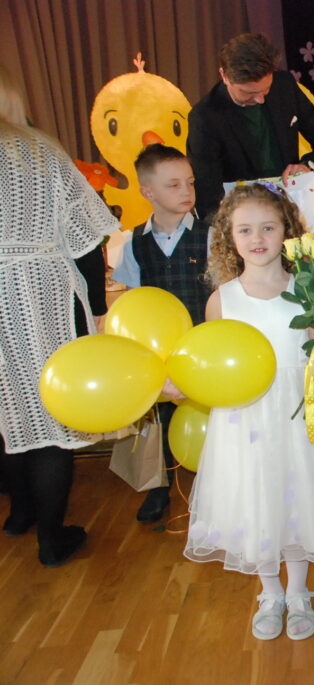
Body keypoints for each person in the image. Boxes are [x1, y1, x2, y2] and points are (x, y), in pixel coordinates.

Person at [178, 183, 314, 640]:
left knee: (298, 499)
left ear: (287, 231)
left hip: (299, 416)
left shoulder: (306, 292)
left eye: (268, 228)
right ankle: (269, 592)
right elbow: (212, 363)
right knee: (259, 500)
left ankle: (297, 592)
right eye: (245, 229)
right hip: (245, 419)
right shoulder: (222, 299)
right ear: (229, 237)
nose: (257, 238)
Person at [0, 65, 120, 566]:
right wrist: (96, 309)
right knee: (51, 413)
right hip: (44, 291)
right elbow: (88, 241)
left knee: (9, 409)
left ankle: (19, 513)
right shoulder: (41, 152)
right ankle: (51, 539)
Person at [112, 143, 211, 523]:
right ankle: (159, 485)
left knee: (209, 412)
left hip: (202, 341)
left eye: (190, 182)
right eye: (173, 185)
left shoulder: (210, 235)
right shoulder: (133, 243)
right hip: (158, 349)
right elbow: (132, 299)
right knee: (160, 416)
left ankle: (213, 485)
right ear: (148, 192)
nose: (186, 191)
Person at [187, 33, 314, 221]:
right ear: (224, 76)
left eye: (266, 89)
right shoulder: (205, 117)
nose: (260, 99)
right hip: (243, 216)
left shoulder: (284, 86)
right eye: (248, 93)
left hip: (292, 206)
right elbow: (207, 192)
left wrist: (307, 166)